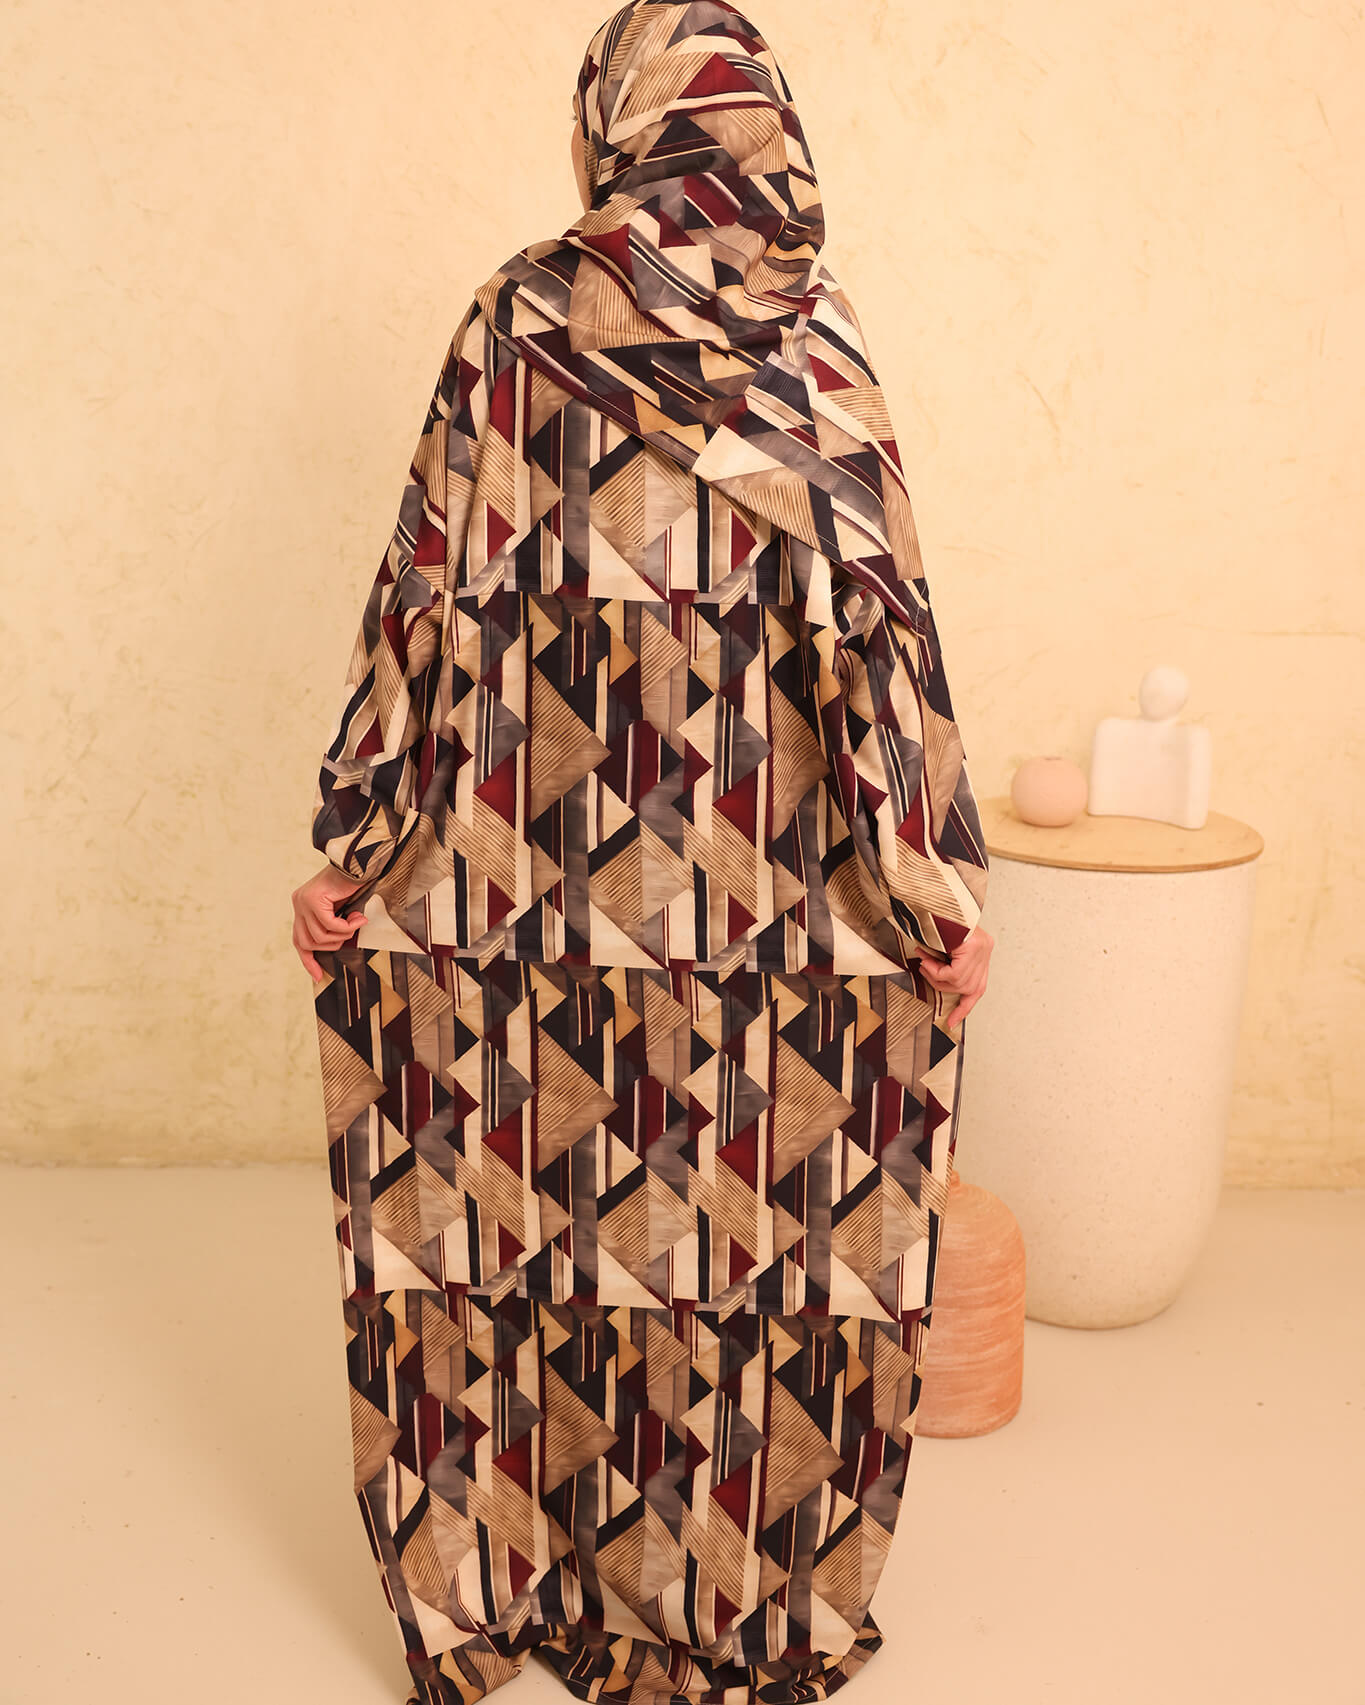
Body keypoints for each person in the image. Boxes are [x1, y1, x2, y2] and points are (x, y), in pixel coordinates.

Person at [290, 3, 993, 1700]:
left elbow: (421, 604)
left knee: (525, 1213)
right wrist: (923, 879)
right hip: (766, 891)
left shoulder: (514, 323)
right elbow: (882, 644)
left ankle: (511, 1574)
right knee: (739, 1236)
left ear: (614, 125)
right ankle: (730, 1592)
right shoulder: (813, 350)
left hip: (515, 876)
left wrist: (364, 836)